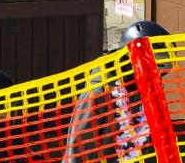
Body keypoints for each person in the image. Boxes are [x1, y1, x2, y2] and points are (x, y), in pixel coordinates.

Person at [62, 22, 167, 163]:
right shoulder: (99, 92)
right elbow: (78, 151)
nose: (155, 76)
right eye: (152, 69)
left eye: (159, 72)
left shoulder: (149, 90)